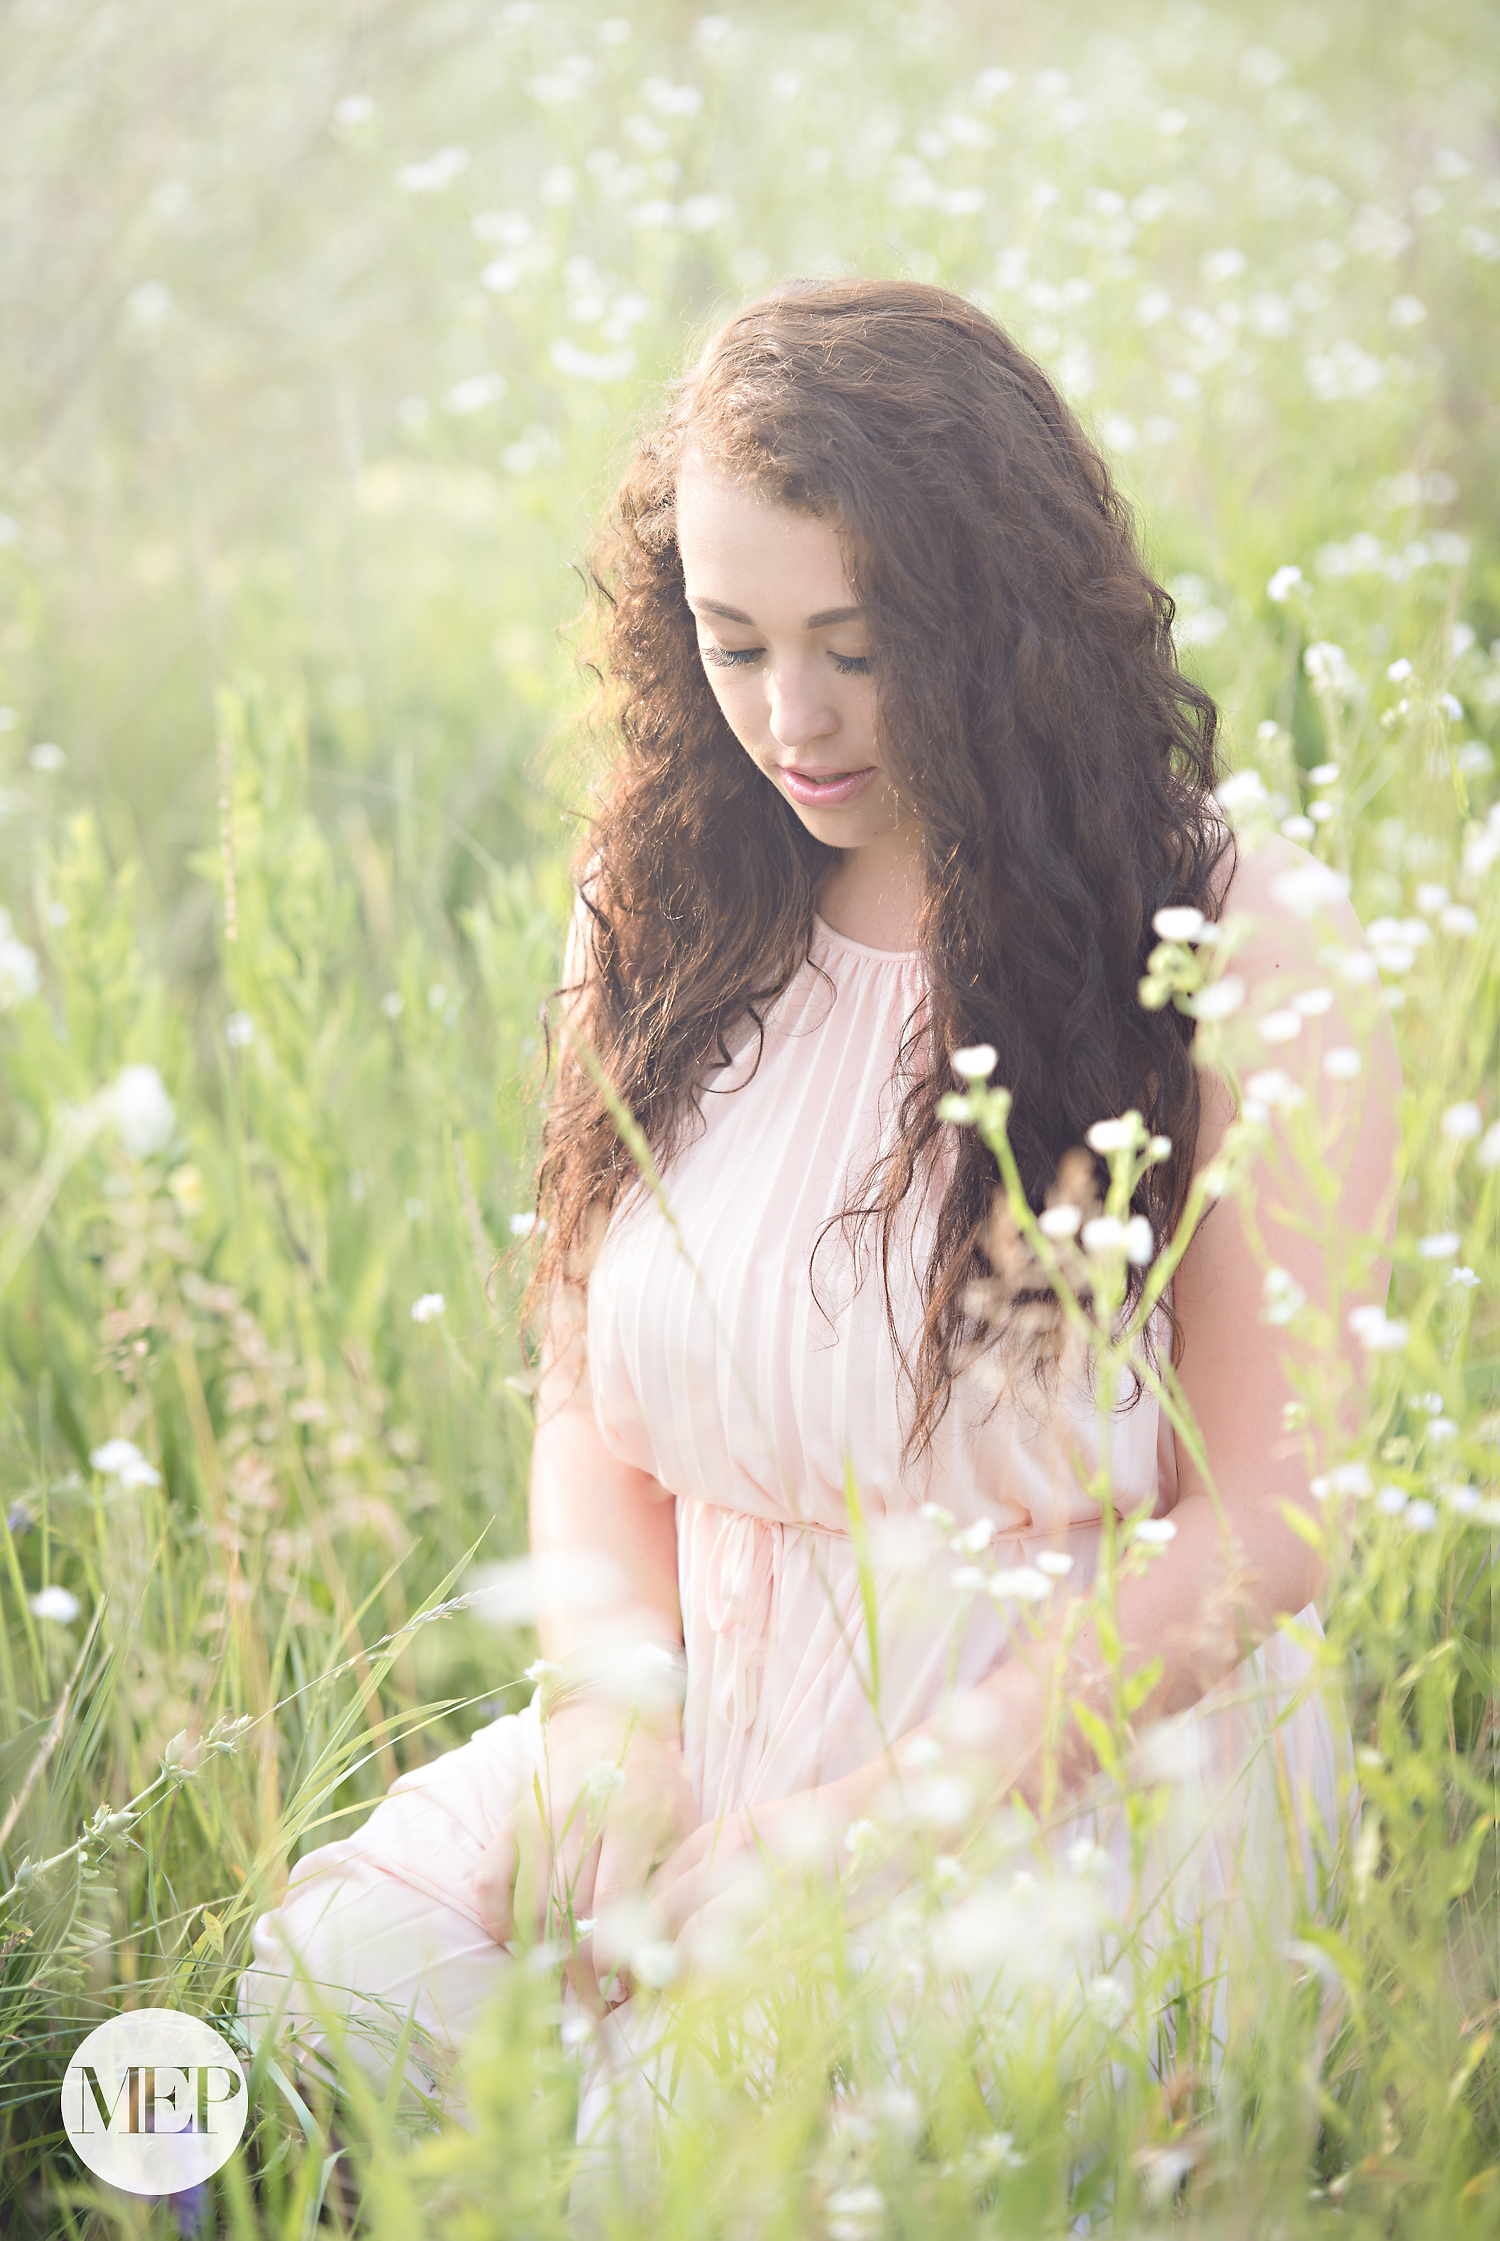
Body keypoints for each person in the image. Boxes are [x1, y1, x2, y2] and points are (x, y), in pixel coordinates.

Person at [240, 278, 1399, 2115]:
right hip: (708, 1723)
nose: (796, 718)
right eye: (733, 639)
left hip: (1069, 1779)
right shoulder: (669, 884)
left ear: (1002, 619)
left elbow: (1265, 1517)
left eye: (860, 646)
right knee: (326, 2026)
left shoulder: (1242, 940)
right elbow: (582, 1392)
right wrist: (618, 1723)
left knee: (683, 2155)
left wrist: (866, 1833)